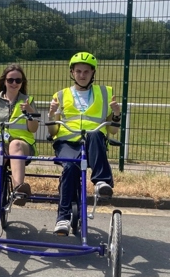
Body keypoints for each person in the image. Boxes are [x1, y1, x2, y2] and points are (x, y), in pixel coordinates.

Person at [48, 52, 121, 236]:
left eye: (86, 71)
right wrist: (51, 115)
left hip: (93, 143)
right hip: (67, 141)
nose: (82, 75)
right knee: (71, 168)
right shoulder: (60, 95)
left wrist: (116, 114)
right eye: (78, 71)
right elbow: (53, 132)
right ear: (72, 72)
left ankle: (101, 181)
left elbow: (112, 131)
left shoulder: (105, 93)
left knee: (96, 134)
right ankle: (62, 218)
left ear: (93, 73)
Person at [0, 64, 38, 225]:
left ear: (22, 82)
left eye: (18, 80)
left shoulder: (28, 100)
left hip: (20, 145)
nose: (14, 83)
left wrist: (31, 112)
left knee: (15, 144)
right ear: (4, 81)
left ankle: (19, 190)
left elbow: (33, 129)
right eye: (11, 79)